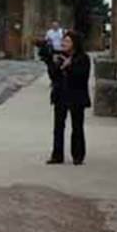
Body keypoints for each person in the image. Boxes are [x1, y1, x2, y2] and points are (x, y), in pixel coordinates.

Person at [46, 30, 91, 165]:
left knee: (77, 126)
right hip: (61, 95)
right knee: (58, 127)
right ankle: (57, 155)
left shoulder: (83, 58)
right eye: (63, 41)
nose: (64, 43)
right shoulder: (60, 56)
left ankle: (78, 155)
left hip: (76, 96)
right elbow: (54, 77)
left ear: (74, 43)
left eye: (67, 41)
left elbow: (82, 77)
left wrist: (69, 66)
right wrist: (52, 64)